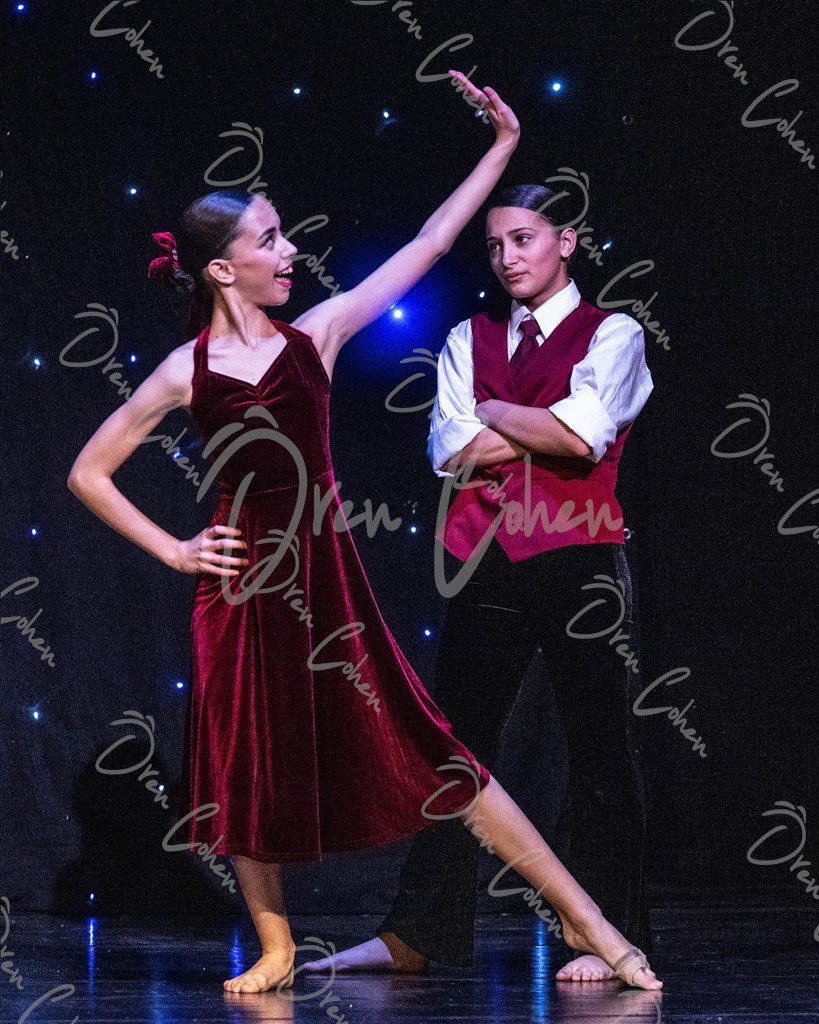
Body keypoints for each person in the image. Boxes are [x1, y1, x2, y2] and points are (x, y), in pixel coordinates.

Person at [66, 72, 662, 995]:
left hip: (326, 580)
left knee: (441, 754)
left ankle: (596, 927)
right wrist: (177, 550)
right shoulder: (185, 369)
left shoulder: (317, 333)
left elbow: (428, 242)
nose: (289, 250)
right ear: (222, 269)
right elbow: (88, 471)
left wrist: (501, 146)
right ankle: (274, 944)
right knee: (244, 762)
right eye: (269, 239)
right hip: (239, 590)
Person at [305, 183, 656, 983]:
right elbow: (450, 450)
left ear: (565, 242)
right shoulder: (469, 336)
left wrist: (493, 410)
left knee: (599, 747)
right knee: (453, 748)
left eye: (523, 239)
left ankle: (605, 934)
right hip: (485, 557)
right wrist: (534, 423)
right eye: (494, 245)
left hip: (578, 556)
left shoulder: (616, 333)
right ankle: (414, 933)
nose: (506, 258)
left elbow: (583, 437)